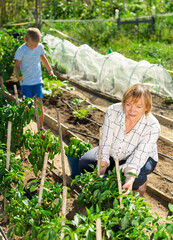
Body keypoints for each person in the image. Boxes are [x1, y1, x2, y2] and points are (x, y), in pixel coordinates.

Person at [79, 83, 160, 197]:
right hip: (116, 150)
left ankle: (137, 187)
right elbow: (106, 143)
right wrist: (100, 171)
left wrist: (130, 178)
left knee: (137, 178)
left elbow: (137, 159)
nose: (132, 110)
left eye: (138, 106)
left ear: (146, 107)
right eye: (128, 104)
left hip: (143, 157)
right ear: (123, 102)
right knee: (85, 164)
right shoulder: (113, 111)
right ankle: (117, 169)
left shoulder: (152, 126)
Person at [14, 27, 53, 130]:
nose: (34, 47)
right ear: (25, 40)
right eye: (32, 45)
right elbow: (17, 66)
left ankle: (40, 126)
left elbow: (43, 58)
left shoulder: (39, 47)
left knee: (40, 105)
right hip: (26, 82)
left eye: (36, 45)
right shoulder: (21, 50)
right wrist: (18, 75)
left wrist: (50, 70)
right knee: (26, 106)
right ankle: (24, 126)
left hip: (37, 81)